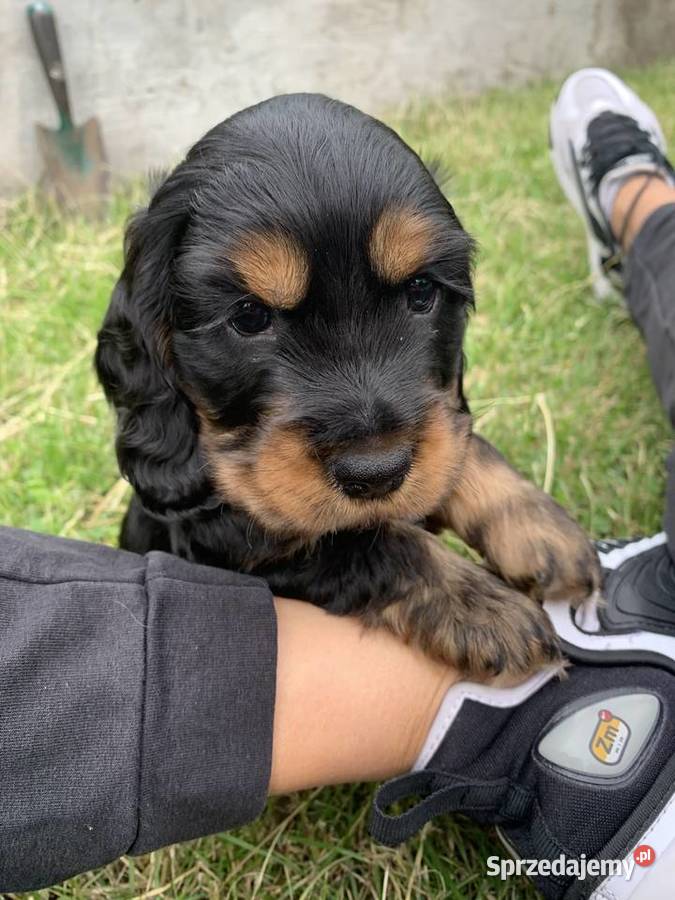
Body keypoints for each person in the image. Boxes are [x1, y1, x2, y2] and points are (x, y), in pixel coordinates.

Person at [1, 69, 674, 900]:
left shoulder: (411, 413)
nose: (373, 451)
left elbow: (435, 397)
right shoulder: (216, 460)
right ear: (161, 334)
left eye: (418, 292)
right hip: (232, 590)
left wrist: (480, 480)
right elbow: (206, 525)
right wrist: (405, 574)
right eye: (251, 319)